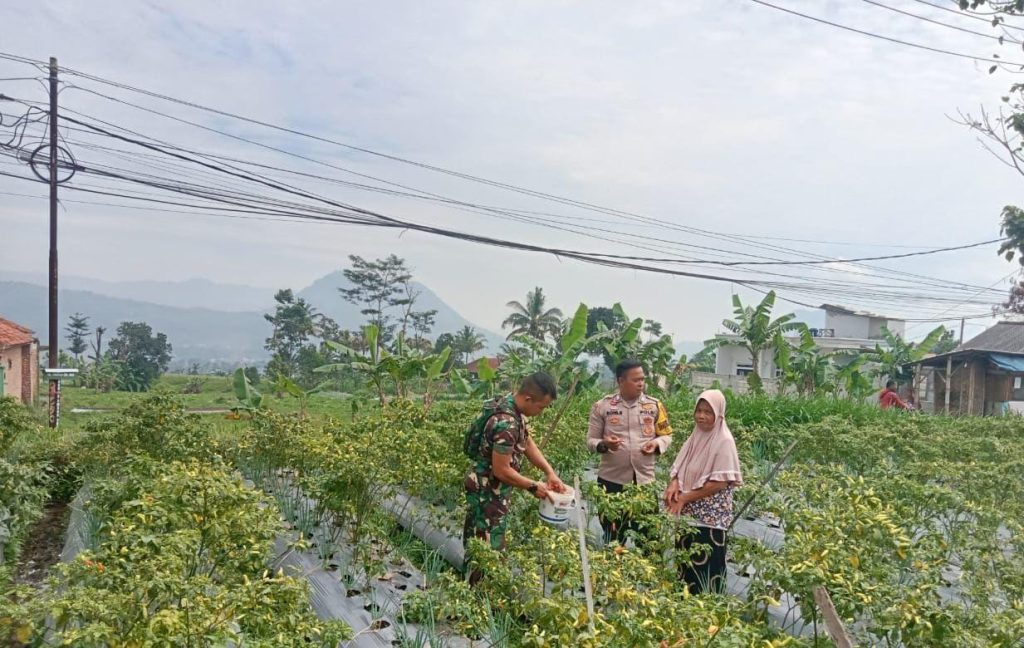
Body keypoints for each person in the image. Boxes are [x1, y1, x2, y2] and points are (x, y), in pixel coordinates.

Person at [463, 372, 568, 570]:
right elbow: (502, 470)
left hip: (488, 487)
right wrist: (533, 486)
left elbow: (526, 441)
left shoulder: (509, 405)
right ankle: (478, 593)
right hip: (487, 492)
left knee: (480, 540)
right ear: (528, 398)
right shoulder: (506, 424)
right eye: (541, 407)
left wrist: (549, 471)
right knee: (487, 551)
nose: (541, 411)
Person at [664, 389, 743, 595]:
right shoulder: (695, 437)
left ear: (719, 414)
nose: (701, 416)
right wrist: (674, 483)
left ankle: (707, 615)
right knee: (685, 565)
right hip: (688, 513)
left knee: (705, 568)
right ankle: (684, 610)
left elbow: (719, 482)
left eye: (708, 412)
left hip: (709, 519)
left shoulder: (724, 440)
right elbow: (681, 464)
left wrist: (684, 497)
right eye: (699, 410)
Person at [587, 359, 673, 544]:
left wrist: (657, 444)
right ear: (620, 381)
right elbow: (591, 441)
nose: (641, 384)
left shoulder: (654, 406)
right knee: (613, 536)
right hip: (611, 481)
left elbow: (667, 435)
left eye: (642, 379)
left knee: (649, 537)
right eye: (636, 380)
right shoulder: (603, 406)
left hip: (644, 481)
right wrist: (604, 444)